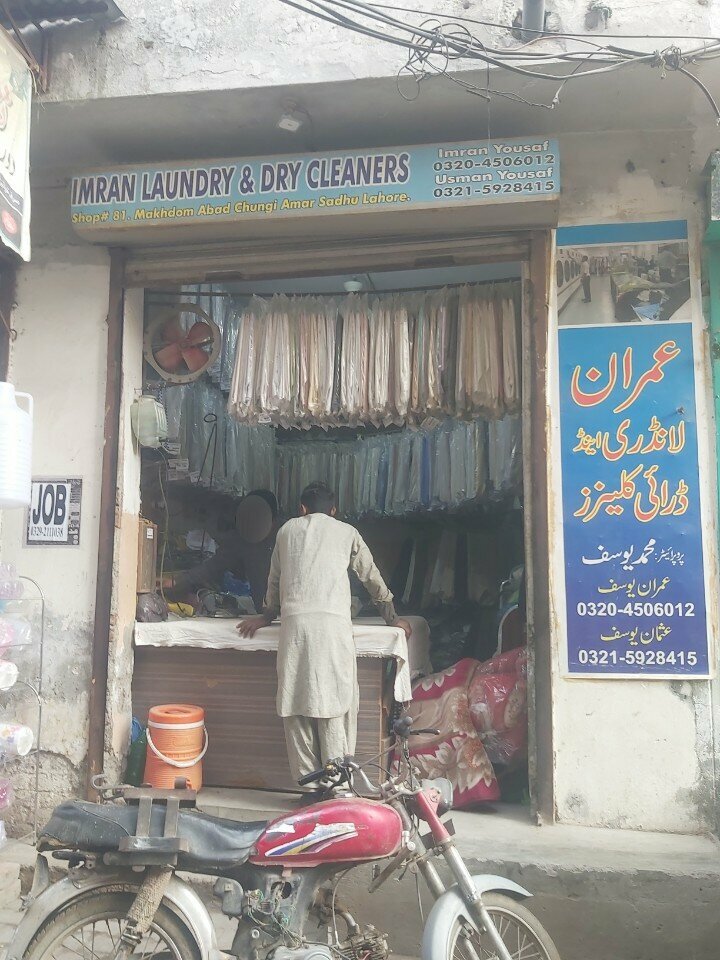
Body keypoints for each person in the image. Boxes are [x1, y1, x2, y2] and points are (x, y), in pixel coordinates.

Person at [238, 481, 411, 789]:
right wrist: (393, 618)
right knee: (336, 702)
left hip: (294, 630)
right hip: (333, 630)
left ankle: (309, 786)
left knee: (295, 704)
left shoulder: (286, 531)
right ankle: (339, 786)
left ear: (301, 509)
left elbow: (274, 581)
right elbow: (371, 578)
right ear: (333, 511)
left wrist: (265, 615)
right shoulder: (346, 532)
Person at [166, 490, 280, 612]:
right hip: (264, 616)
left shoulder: (288, 537)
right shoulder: (244, 541)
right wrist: (177, 582)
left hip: (288, 616)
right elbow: (212, 567)